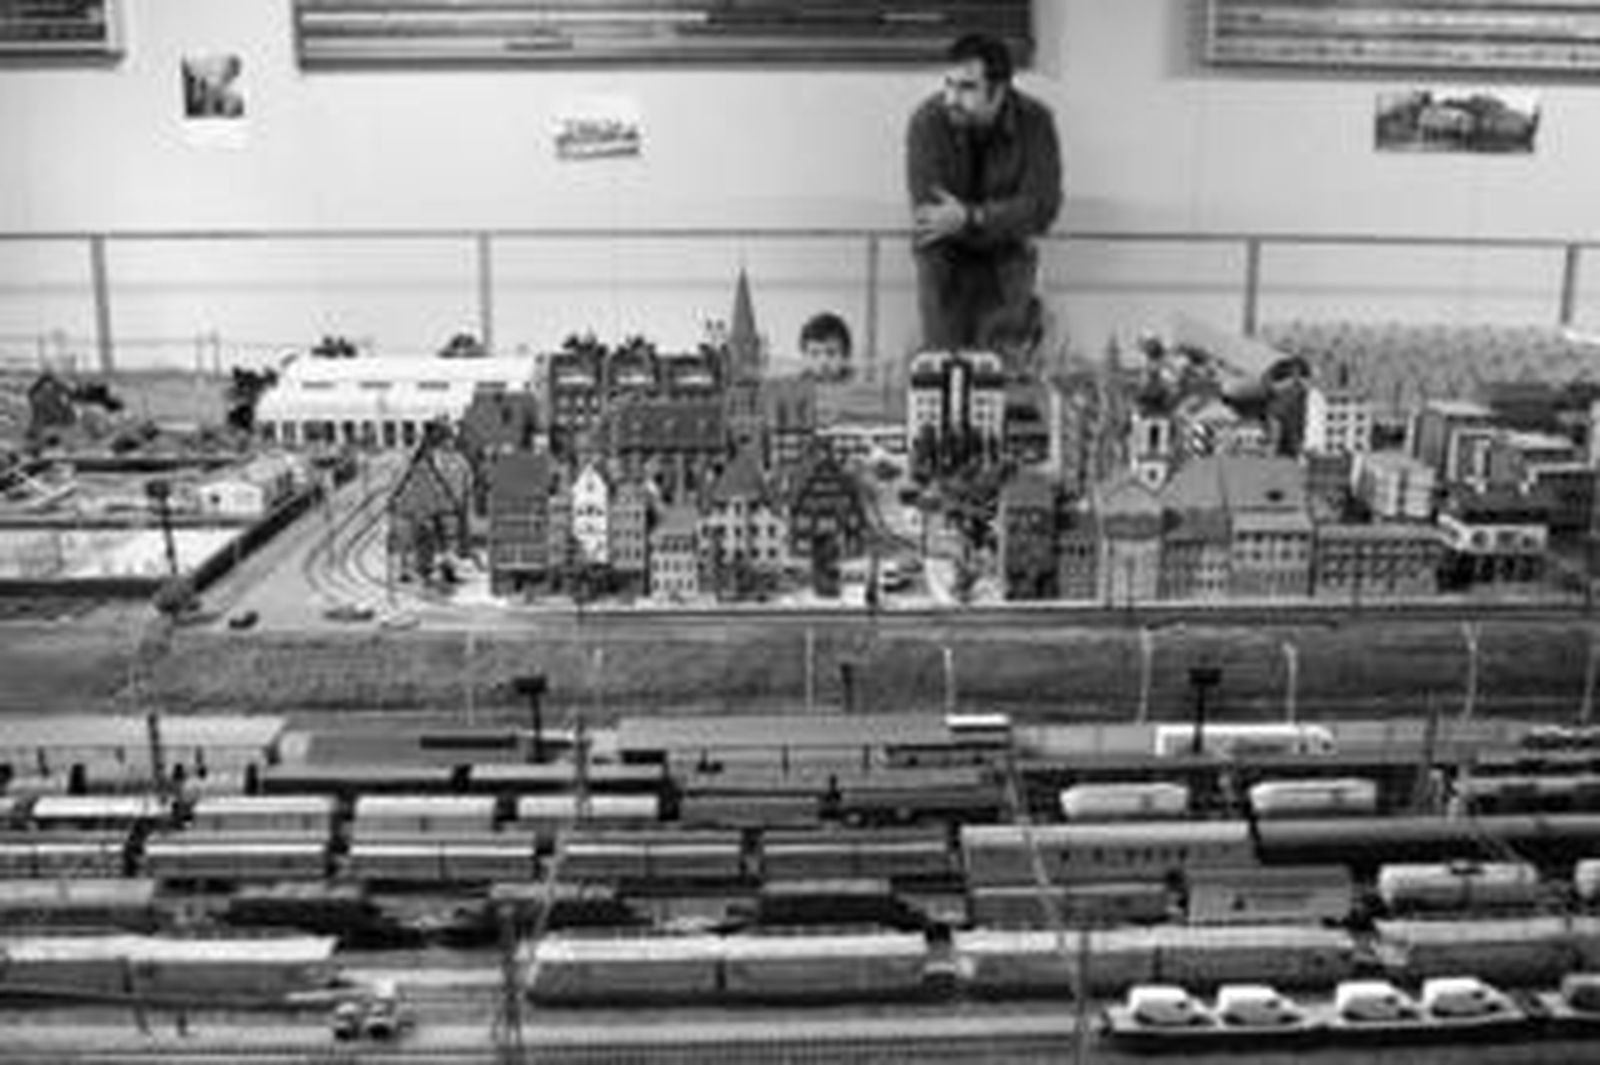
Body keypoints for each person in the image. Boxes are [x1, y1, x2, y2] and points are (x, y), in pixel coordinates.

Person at [907, 33, 1062, 365]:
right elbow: (931, 215)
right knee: (944, 369)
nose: (951, 97)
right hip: (943, 260)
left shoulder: (1036, 122)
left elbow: (1043, 208)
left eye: (966, 88)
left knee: (996, 373)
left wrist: (972, 218)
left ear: (1000, 90)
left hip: (1008, 261)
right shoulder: (926, 122)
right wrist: (1006, 217)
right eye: (948, 84)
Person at [799, 311, 853, 383]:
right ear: (805, 356)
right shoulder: (794, 388)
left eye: (831, 353)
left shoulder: (859, 389)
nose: (823, 361)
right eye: (815, 353)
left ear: (845, 354)